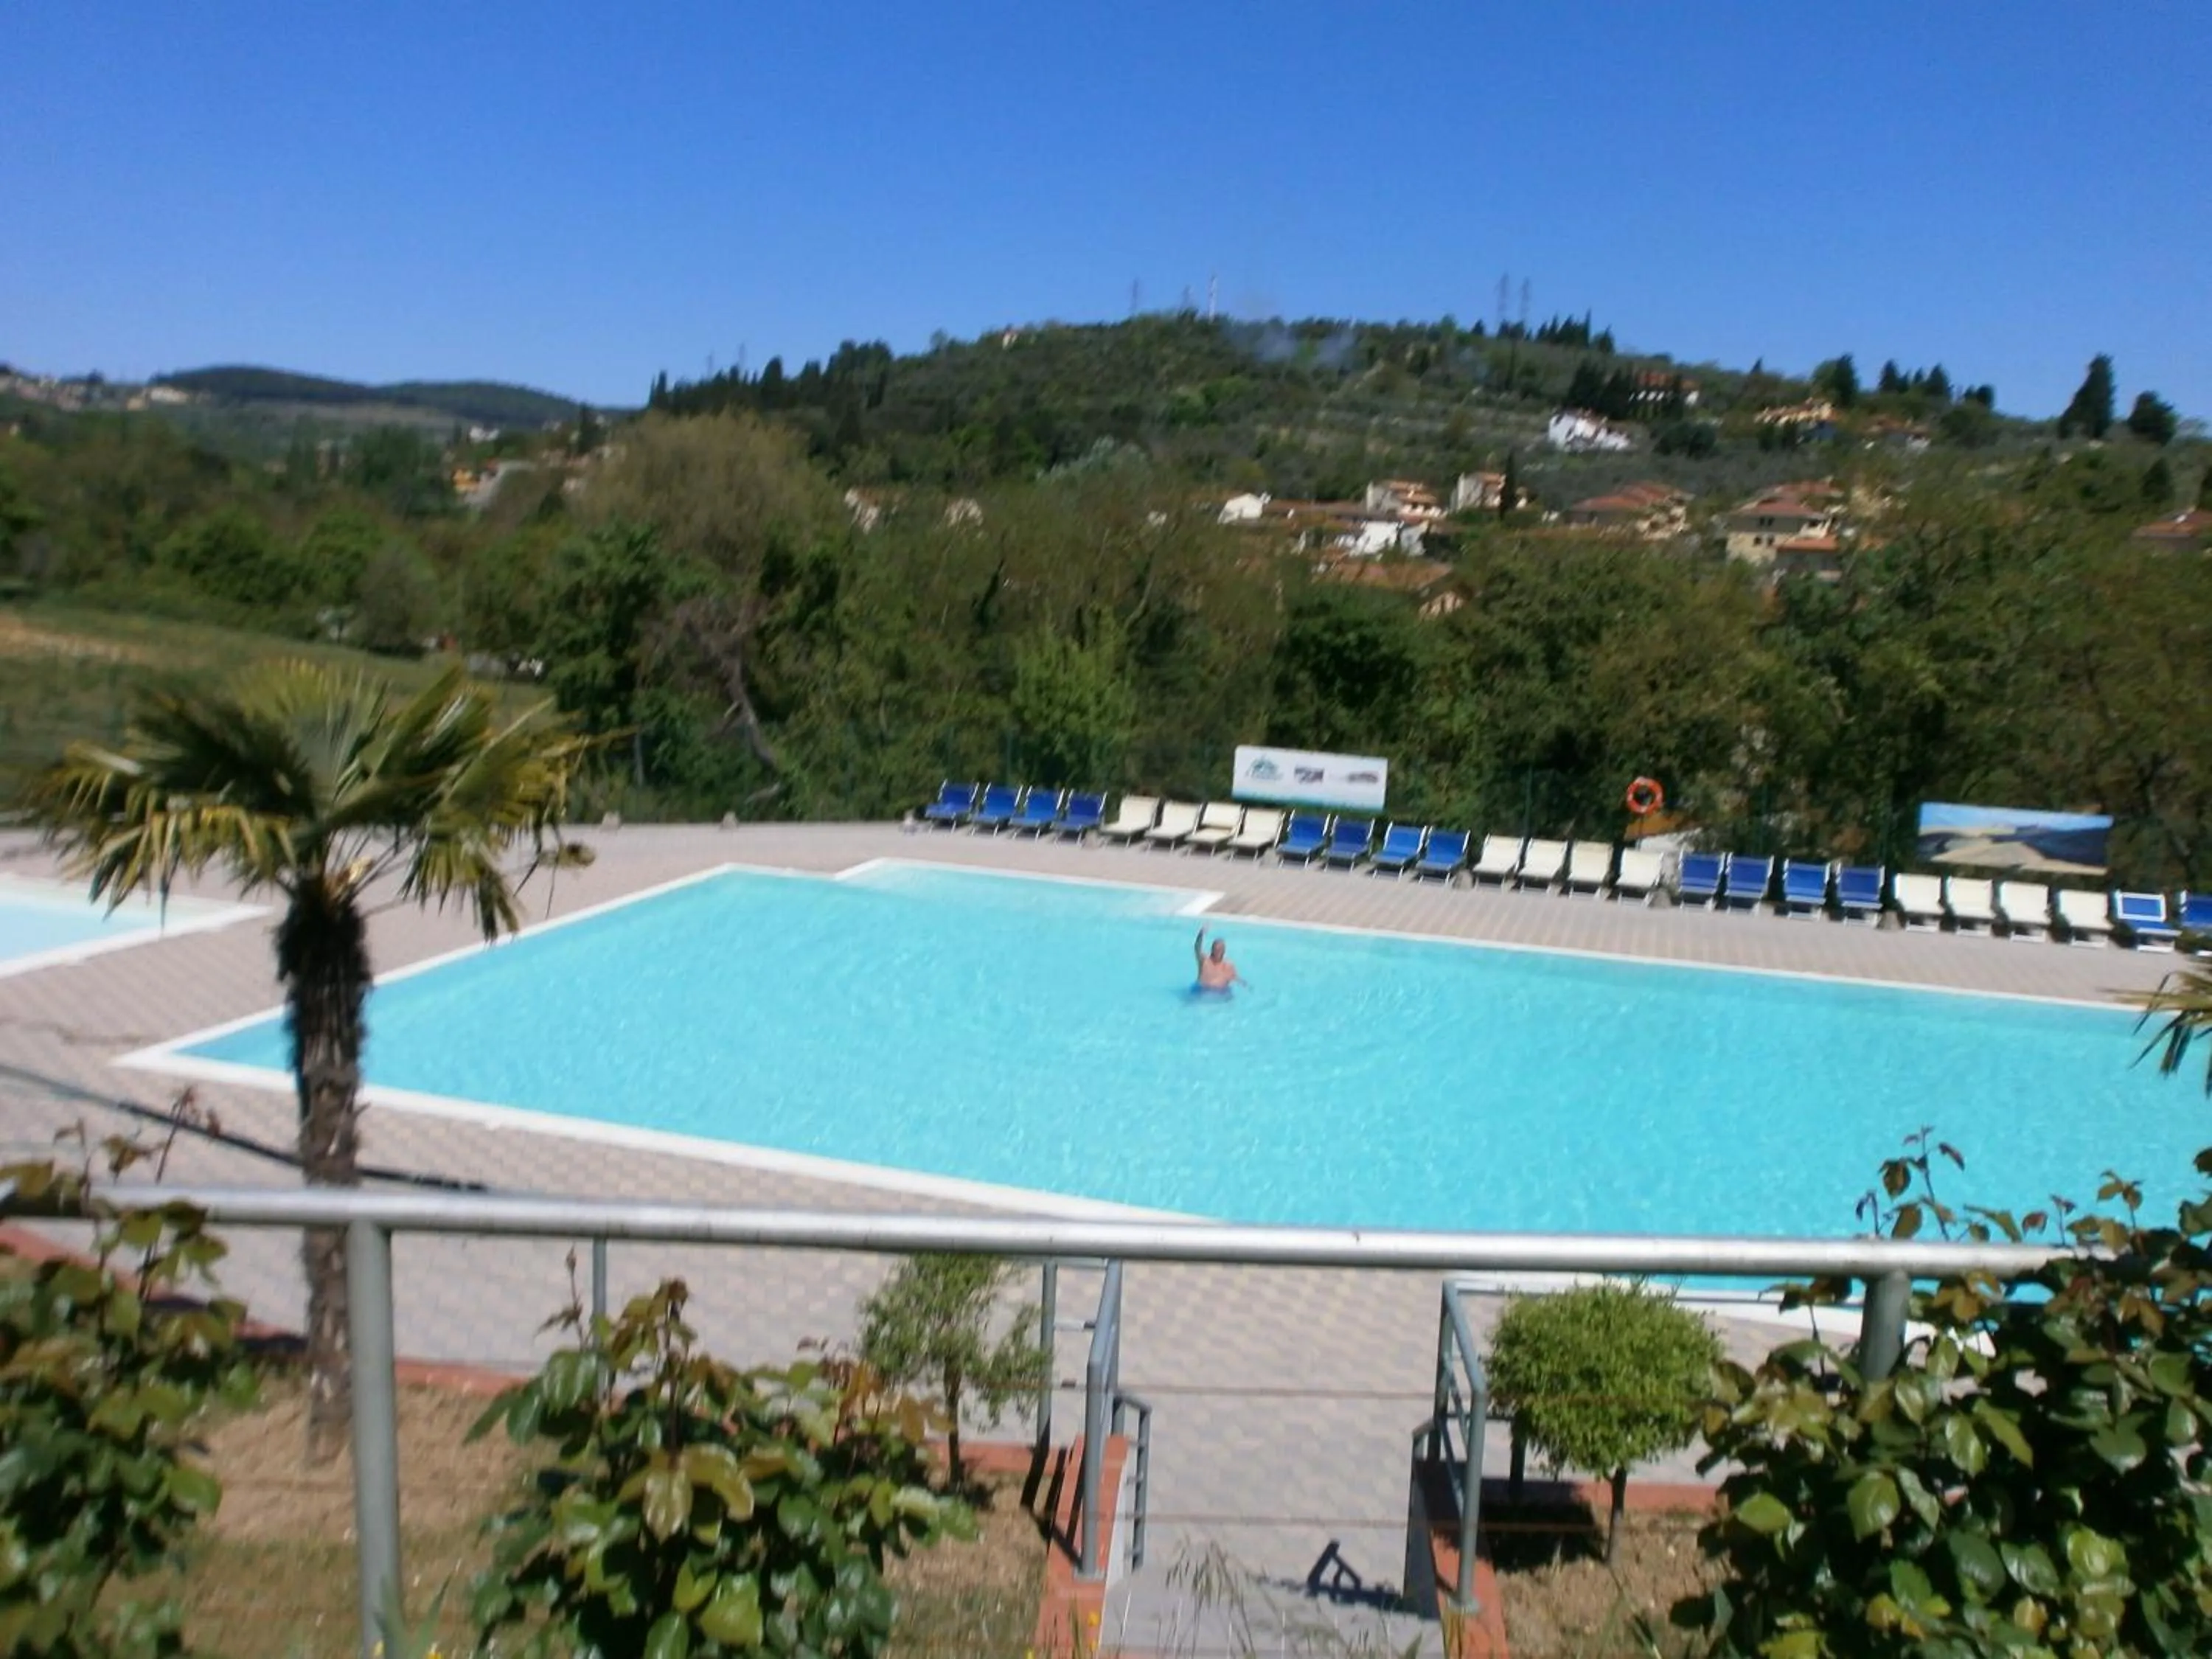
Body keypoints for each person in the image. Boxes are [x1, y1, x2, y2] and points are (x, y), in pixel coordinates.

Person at [1193, 926, 1246, 995]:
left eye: (1220, 950)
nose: (1217, 951)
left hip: (1221, 993)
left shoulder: (1228, 966)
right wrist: (1201, 935)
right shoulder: (1204, 961)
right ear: (1212, 949)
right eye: (1215, 949)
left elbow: (1236, 978)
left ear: (1224, 951)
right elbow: (1197, 948)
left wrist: (1245, 985)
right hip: (1202, 991)